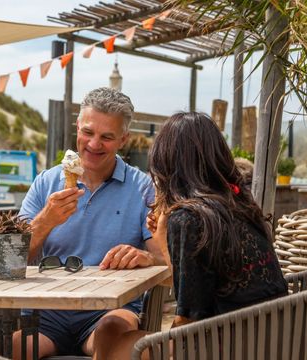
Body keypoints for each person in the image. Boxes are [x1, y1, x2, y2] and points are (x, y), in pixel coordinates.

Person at [0, 87, 165, 360]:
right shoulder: (45, 182)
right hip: (45, 312)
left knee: (147, 348)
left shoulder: (143, 187)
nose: (94, 144)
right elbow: (8, 262)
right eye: (88, 132)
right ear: (77, 127)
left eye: (107, 137)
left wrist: (145, 256)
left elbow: (164, 262)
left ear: (123, 139)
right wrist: (45, 221)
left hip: (109, 312)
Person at [109, 112, 288, 359]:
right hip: (272, 339)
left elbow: (188, 315)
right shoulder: (239, 204)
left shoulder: (188, 218)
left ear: (168, 163)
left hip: (225, 345)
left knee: (115, 346)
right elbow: (202, 284)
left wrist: (163, 237)